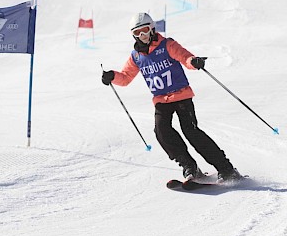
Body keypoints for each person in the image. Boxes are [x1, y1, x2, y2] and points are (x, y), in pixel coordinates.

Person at [102, 12, 241, 182]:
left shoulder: (167, 45)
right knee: (161, 131)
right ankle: (189, 166)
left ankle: (226, 169)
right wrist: (112, 76)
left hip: (181, 95)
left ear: (152, 29)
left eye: (145, 30)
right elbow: (125, 78)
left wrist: (194, 61)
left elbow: (185, 57)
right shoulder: (136, 56)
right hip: (161, 100)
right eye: (137, 33)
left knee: (191, 131)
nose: (142, 36)